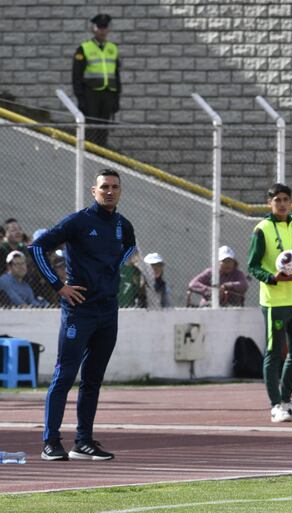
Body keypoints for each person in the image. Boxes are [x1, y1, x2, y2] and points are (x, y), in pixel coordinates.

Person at [29, 169, 136, 461]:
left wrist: (116, 266)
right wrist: (58, 286)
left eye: (114, 187)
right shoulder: (78, 221)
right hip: (79, 310)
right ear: (94, 191)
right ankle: (50, 442)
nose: (109, 191)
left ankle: (83, 442)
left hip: (108, 310)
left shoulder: (122, 225)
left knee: (93, 379)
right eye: (104, 187)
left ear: (120, 191)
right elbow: (37, 247)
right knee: (65, 375)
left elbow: (130, 247)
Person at [247, 183, 292, 423]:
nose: (282, 203)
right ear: (269, 203)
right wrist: (272, 278)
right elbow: (252, 265)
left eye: (286, 199)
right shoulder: (262, 229)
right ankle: (275, 405)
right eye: (277, 200)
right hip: (275, 302)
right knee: (274, 352)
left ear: (291, 202)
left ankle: (286, 401)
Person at [72, 14, 121, 147]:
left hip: (108, 93)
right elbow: (76, 75)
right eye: (100, 27)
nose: (102, 30)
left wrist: (117, 98)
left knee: (103, 127)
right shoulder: (84, 48)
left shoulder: (113, 48)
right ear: (93, 29)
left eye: (105, 27)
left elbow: (116, 75)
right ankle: (90, 153)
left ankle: (101, 153)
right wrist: (80, 98)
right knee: (91, 127)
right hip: (91, 93)